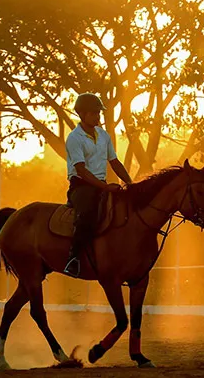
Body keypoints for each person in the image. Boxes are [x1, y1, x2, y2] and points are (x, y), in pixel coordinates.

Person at [63, 93, 133, 277]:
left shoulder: (104, 135)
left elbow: (115, 162)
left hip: (101, 185)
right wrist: (105, 187)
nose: (98, 116)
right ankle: (73, 258)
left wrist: (131, 183)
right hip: (81, 186)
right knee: (86, 214)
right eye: (94, 113)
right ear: (82, 114)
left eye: (98, 112)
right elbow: (81, 170)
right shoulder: (74, 138)